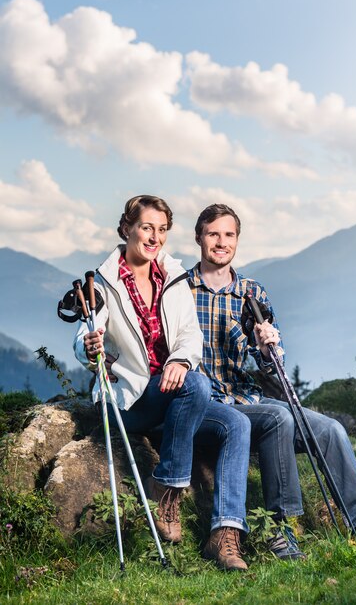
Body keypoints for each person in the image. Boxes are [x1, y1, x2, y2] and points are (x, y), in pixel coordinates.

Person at [187, 203, 356, 560]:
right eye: (213, 234)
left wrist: (268, 348)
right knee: (279, 418)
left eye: (229, 235)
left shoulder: (253, 294)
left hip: (249, 400)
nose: (221, 243)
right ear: (198, 238)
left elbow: (272, 369)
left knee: (330, 430)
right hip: (210, 407)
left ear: (237, 239)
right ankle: (279, 529)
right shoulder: (182, 292)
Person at [74, 195, 251, 570]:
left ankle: (224, 536)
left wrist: (181, 359)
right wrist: (90, 349)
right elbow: (85, 335)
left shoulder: (172, 276)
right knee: (198, 386)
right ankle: (167, 489)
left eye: (162, 229)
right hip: (129, 399)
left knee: (236, 423)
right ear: (127, 229)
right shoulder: (104, 281)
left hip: (171, 395)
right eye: (146, 227)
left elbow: (190, 334)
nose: (154, 237)